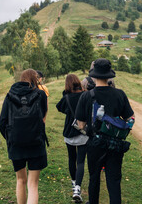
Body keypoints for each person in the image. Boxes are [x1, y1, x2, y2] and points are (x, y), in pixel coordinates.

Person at [75, 58, 134, 204]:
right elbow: (130, 118)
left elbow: (80, 124)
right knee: (114, 180)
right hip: (115, 144)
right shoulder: (120, 94)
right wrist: (122, 131)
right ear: (109, 76)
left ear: (93, 76)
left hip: (94, 143)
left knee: (94, 177)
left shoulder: (86, 96)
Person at [0, 69, 48, 204]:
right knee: (33, 185)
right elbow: (43, 118)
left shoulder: (9, 96)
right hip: (36, 143)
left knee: (20, 181)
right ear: (34, 79)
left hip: (16, 145)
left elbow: (2, 123)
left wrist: (11, 138)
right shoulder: (41, 95)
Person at [56, 74, 88, 203]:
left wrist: (66, 93)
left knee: (71, 159)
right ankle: (77, 189)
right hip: (83, 132)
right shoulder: (85, 96)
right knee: (80, 161)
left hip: (69, 132)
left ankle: (74, 184)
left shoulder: (67, 98)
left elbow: (59, 107)